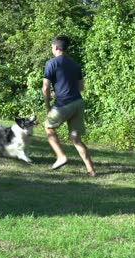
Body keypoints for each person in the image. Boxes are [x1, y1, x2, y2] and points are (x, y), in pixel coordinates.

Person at [42, 35, 96, 176]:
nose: (51, 48)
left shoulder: (51, 63)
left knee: (48, 127)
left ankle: (61, 156)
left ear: (56, 47)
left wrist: (48, 107)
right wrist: (58, 93)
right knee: (76, 139)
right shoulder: (75, 64)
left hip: (63, 104)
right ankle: (91, 170)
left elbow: (45, 88)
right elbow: (81, 87)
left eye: (52, 46)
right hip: (78, 103)